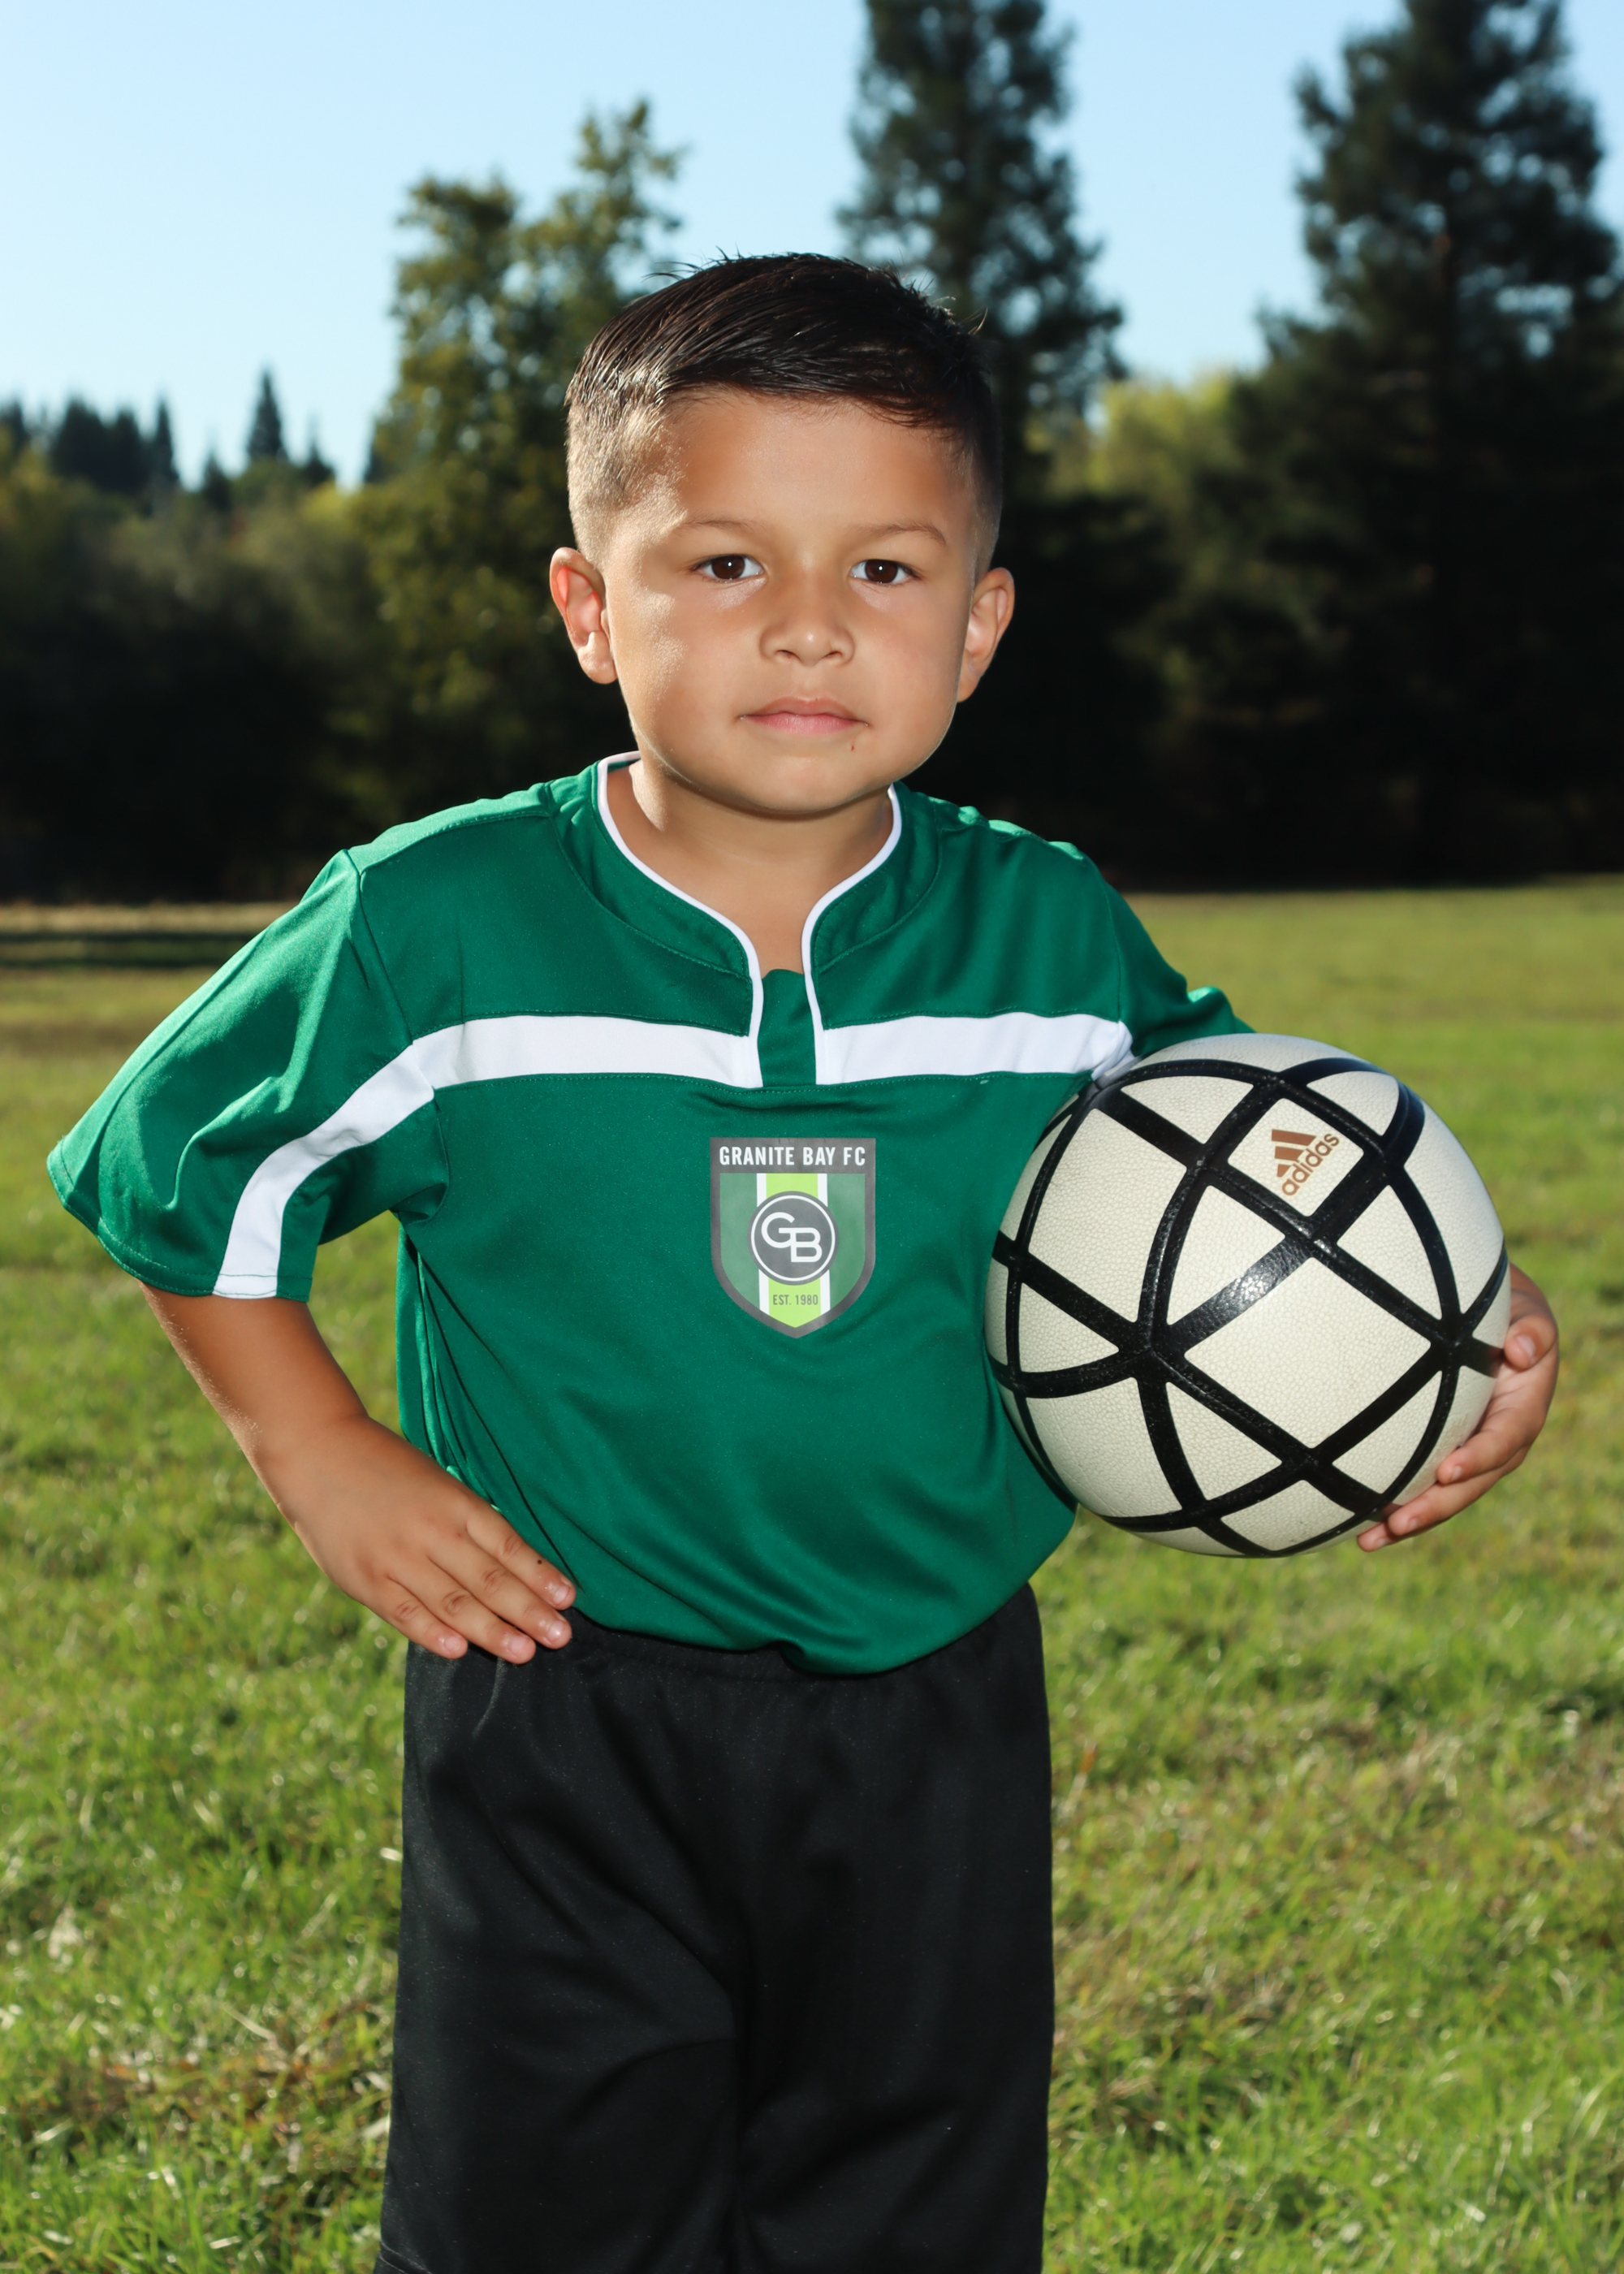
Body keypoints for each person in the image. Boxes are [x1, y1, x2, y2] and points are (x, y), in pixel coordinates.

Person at [47, 257, 1559, 2274]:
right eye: (726, 559)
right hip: (564, 1699)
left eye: (885, 568)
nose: (808, 623)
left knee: (909, 2208)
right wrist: (315, 1450)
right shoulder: (437, 924)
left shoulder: (1046, 935)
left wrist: (1462, 1322)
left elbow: (1279, 1170)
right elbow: (174, 1156)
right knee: (541, 2223)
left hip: (938, 1692)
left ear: (978, 625)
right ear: (590, 606)